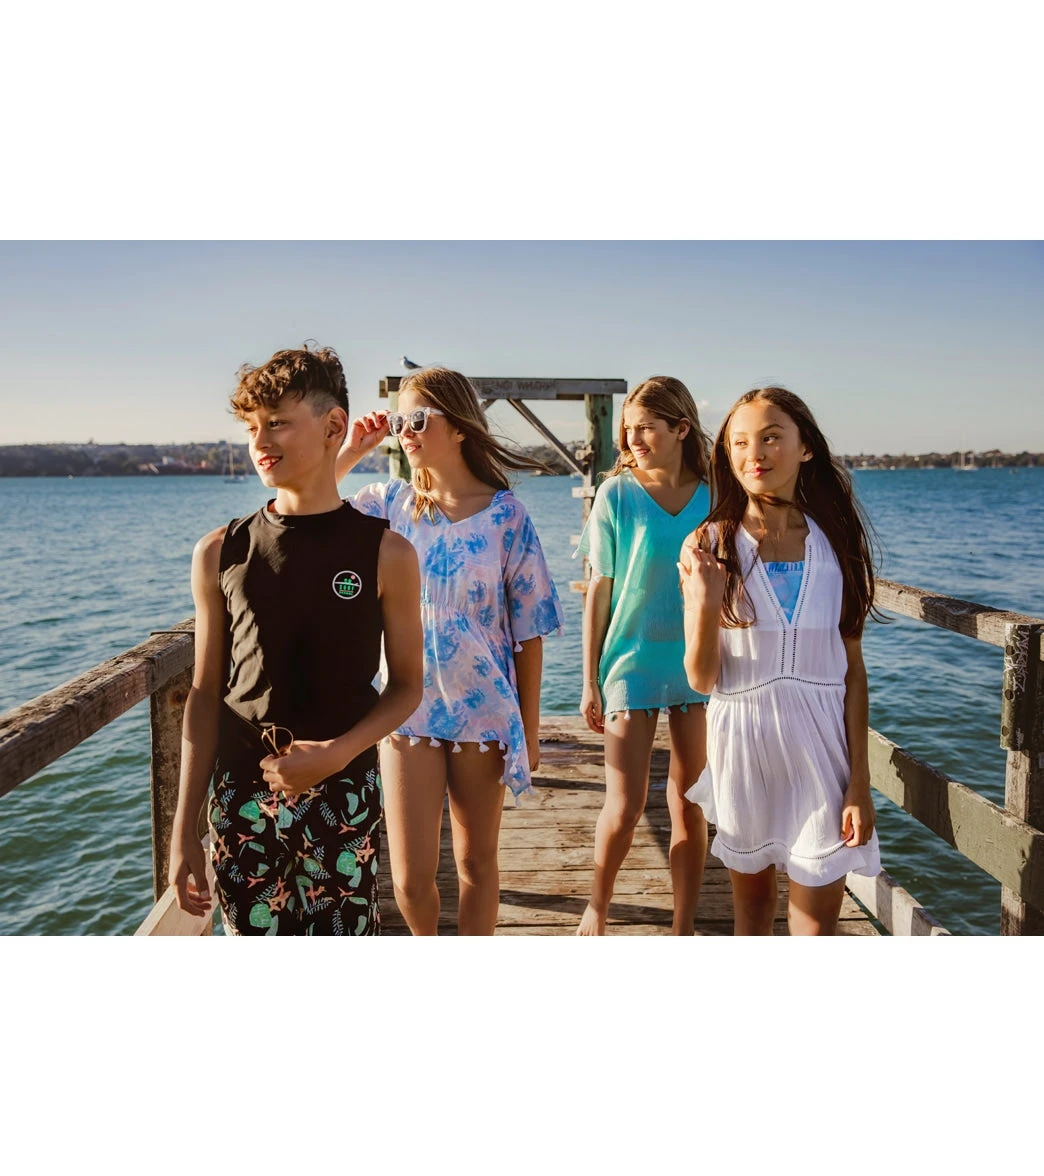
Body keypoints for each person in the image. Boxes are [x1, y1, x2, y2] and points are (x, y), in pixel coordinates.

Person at [168, 344, 423, 935]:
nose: (261, 441)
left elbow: (408, 686)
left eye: (278, 422)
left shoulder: (387, 553)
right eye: (252, 427)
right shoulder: (220, 551)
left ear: (334, 427)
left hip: (345, 791)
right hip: (241, 796)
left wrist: (337, 752)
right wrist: (184, 831)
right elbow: (204, 694)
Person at [335, 367, 564, 936]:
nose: (405, 433)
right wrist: (352, 451)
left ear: (460, 426)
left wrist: (530, 729)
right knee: (410, 879)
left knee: (475, 862)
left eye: (417, 419)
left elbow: (528, 629)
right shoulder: (389, 505)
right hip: (405, 708)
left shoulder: (506, 515)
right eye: (398, 423)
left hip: (484, 711)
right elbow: (306, 506)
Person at [678, 386, 881, 936]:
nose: (755, 453)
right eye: (740, 442)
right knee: (752, 915)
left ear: (805, 447)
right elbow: (701, 679)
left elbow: (853, 672)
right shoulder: (708, 544)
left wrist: (860, 784)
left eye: (771, 438)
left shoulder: (837, 541)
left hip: (822, 752)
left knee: (815, 927)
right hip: (742, 745)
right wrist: (705, 602)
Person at [575, 376, 713, 935]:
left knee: (689, 802)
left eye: (645, 429)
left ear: (681, 428)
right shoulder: (616, 494)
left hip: (698, 665)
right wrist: (589, 679)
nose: (632, 440)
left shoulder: (715, 496)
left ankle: (683, 926)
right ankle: (598, 904)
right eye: (628, 430)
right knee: (626, 804)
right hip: (629, 664)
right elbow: (600, 589)